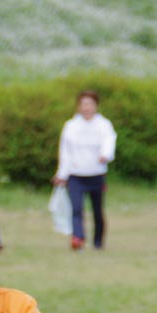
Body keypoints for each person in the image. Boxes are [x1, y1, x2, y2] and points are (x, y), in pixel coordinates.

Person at [53, 90, 117, 251]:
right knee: (76, 209)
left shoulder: (104, 125)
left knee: (97, 210)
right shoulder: (71, 126)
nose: (86, 108)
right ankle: (78, 239)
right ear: (78, 106)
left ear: (96, 106)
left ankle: (98, 242)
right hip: (76, 175)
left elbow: (109, 141)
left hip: (96, 174)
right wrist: (62, 174)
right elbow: (65, 151)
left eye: (90, 104)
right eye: (83, 104)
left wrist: (105, 155)